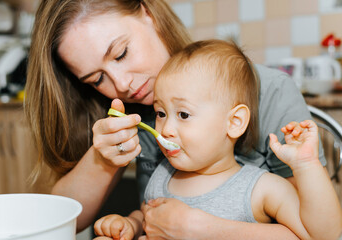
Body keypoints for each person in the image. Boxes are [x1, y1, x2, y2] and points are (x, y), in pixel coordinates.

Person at [25, 0, 333, 238]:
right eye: (96, 79)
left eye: (120, 53)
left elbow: (318, 232)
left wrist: (200, 229)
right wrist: (126, 216)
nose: (120, 84)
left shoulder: (271, 96)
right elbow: (65, 219)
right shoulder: (133, 115)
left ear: (148, 14)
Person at [93, 40, 342, 240]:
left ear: (234, 123)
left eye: (183, 114)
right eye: (161, 113)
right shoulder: (163, 173)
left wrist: (306, 165)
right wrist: (130, 225)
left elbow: (322, 235)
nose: (166, 128)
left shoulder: (261, 188)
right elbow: (150, 216)